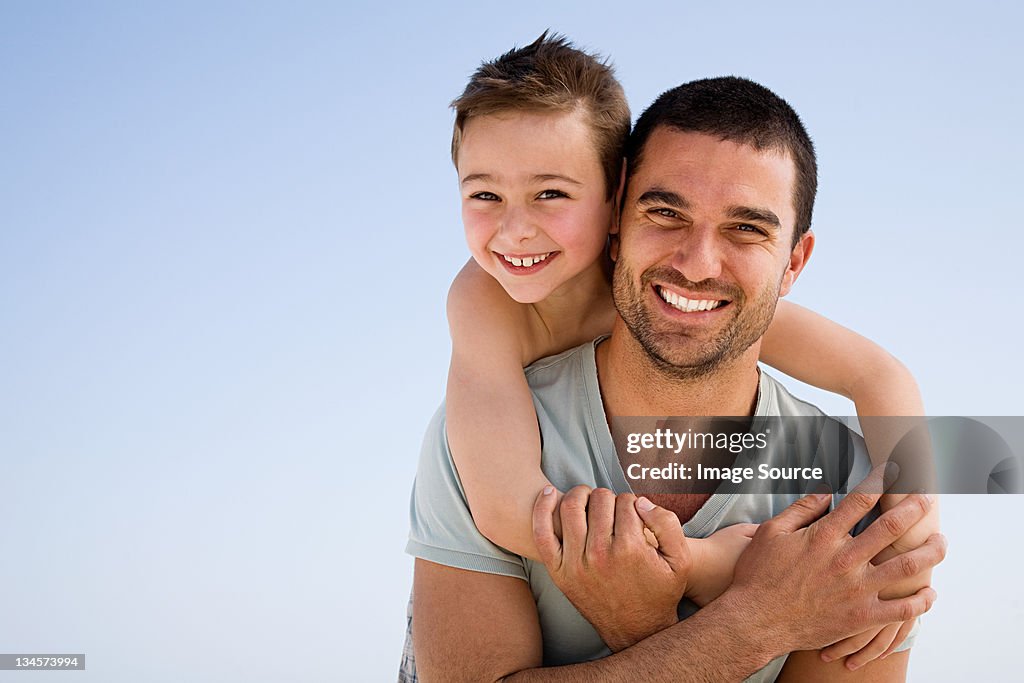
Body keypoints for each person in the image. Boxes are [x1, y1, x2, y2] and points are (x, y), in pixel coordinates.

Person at [401, 37, 944, 682]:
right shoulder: (482, 369)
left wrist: (912, 525)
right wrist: (726, 595)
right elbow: (503, 508)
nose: (697, 264)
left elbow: (879, 376)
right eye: (665, 213)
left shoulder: (846, 488)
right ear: (623, 218)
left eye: (747, 228)